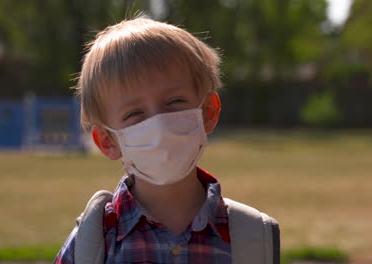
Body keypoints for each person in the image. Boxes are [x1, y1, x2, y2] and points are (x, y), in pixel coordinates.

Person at [54, 16, 278, 264]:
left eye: (174, 102)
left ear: (208, 112)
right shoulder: (92, 244)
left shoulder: (251, 238)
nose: (159, 123)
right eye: (134, 114)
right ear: (107, 140)